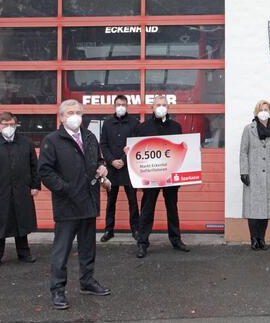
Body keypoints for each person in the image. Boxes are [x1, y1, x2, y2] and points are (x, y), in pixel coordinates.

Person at [39, 99, 112, 310]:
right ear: (61, 117)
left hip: (89, 202)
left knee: (88, 246)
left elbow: (98, 160)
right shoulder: (52, 140)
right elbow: (45, 171)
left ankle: (87, 281)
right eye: (70, 112)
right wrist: (66, 189)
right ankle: (58, 290)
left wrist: (102, 167)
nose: (75, 116)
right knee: (61, 250)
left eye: (78, 112)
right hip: (67, 205)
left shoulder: (89, 137)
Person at [0, 112, 40, 269]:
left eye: (12, 124)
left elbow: (35, 167)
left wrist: (35, 185)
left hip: (22, 190)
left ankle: (24, 253)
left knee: (21, 222)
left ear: (16, 125)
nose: (9, 127)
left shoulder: (26, 143)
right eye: (5, 124)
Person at [135, 95, 189, 258]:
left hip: (170, 177)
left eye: (164, 104)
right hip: (151, 177)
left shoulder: (176, 126)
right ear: (152, 107)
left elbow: (180, 150)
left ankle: (176, 239)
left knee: (172, 208)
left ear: (168, 107)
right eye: (158, 104)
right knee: (147, 209)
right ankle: (142, 243)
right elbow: (136, 151)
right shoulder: (143, 127)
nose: (161, 107)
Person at [239, 100, 270, 251]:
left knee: (265, 209)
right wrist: (244, 171)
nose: (264, 111)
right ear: (256, 112)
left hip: (269, 175)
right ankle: (253, 239)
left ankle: (262, 239)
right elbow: (243, 152)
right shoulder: (248, 129)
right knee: (253, 209)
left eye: (266, 109)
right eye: (261, 109)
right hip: (253, 175)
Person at [99, 95, 140, 242]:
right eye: (118, 104)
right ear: (114, 106)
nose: (121, 106)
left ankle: (135, 229)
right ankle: (109, 230)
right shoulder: (107, 123)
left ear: (127, 106)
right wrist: (111, 160)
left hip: (128, 168)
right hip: (112, 168)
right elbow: (103, 144)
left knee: (133, 201)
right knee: (111, 201)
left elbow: (136, 144)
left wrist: (123, 160)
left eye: (123, 104)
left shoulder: (134, 123)